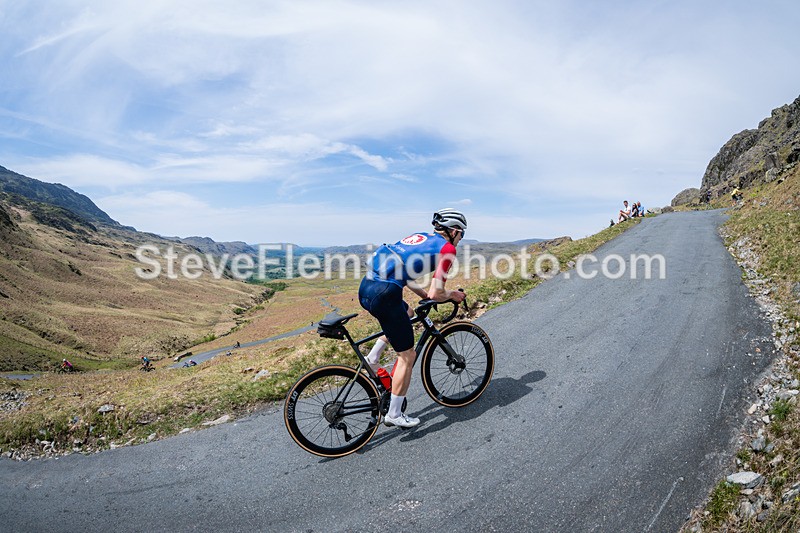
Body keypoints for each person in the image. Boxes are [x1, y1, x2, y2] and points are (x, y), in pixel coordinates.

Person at [358, 208, 468, 429]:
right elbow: (438, 293)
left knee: (407, 313)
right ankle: (395, 414)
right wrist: (453, 295)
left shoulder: (420, 237)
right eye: (462, 235)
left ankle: (372, 357)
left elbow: (403, 272)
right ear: (454, 231)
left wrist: (423, 296)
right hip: (386, 294)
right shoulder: (447, 249)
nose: (460, 240)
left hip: (366, 287)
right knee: (407, 356)